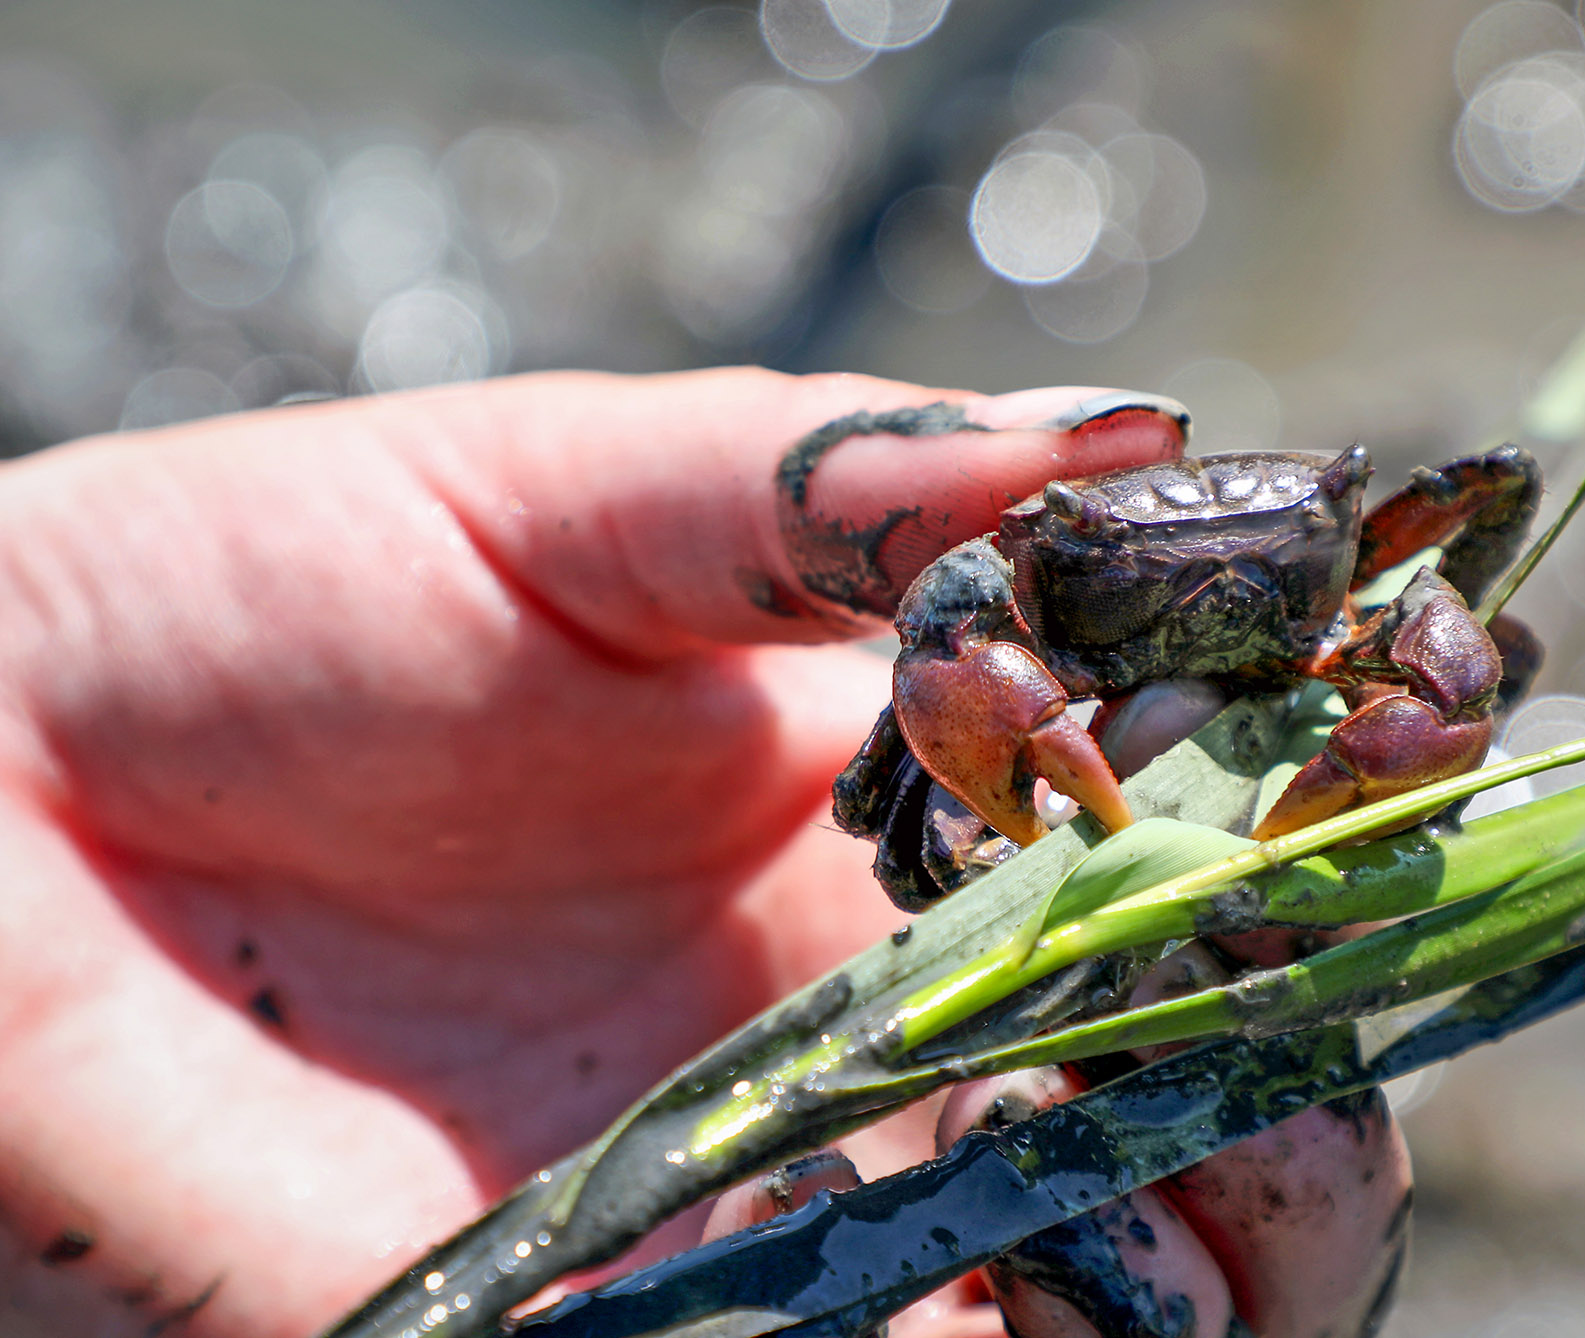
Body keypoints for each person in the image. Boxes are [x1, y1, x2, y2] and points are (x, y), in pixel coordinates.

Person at [0, 368, 1408, 1338]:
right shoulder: (1018, 578)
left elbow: (1469, 624)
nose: (1209, 575)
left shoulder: (1354, 596)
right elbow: (932, 678)